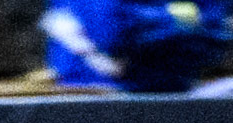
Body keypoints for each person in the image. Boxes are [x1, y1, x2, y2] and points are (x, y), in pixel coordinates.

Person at [40, 0, 232, 91]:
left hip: (179, 89)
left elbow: (217, 37)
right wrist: (189, 21)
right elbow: (113, 36)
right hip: (95, 97)